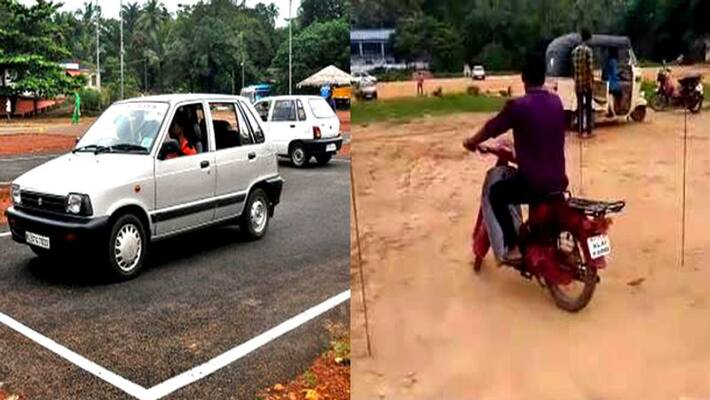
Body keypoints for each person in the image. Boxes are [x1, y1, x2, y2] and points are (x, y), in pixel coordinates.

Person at [462, 52, 568, 263]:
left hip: (535, 183)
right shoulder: (556, 102)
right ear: (543, 77)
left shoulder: (518, 107)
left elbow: (491, 128)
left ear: (523, 78)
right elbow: (542, 136)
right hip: (559, 181)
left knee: (496, 194)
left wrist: (471, 142)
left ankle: (512, 246)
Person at [572, 28, 594, 137]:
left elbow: (574, 69)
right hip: (586, 83)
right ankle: (589, 131)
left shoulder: (575, 52)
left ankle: (580, 131)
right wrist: (592, 81)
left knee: (580, 107)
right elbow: (590, 69)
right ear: (588, 39)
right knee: (588, 107)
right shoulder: (588, 51)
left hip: (578, 84)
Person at [603, 47, 622, 113]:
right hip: (613, 84)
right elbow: (616, 72)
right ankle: (618, 108)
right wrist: (620, 72)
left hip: (607, 82)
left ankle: (613, 108)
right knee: (620, 92)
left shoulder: (606, 61)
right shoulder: (613, 61)